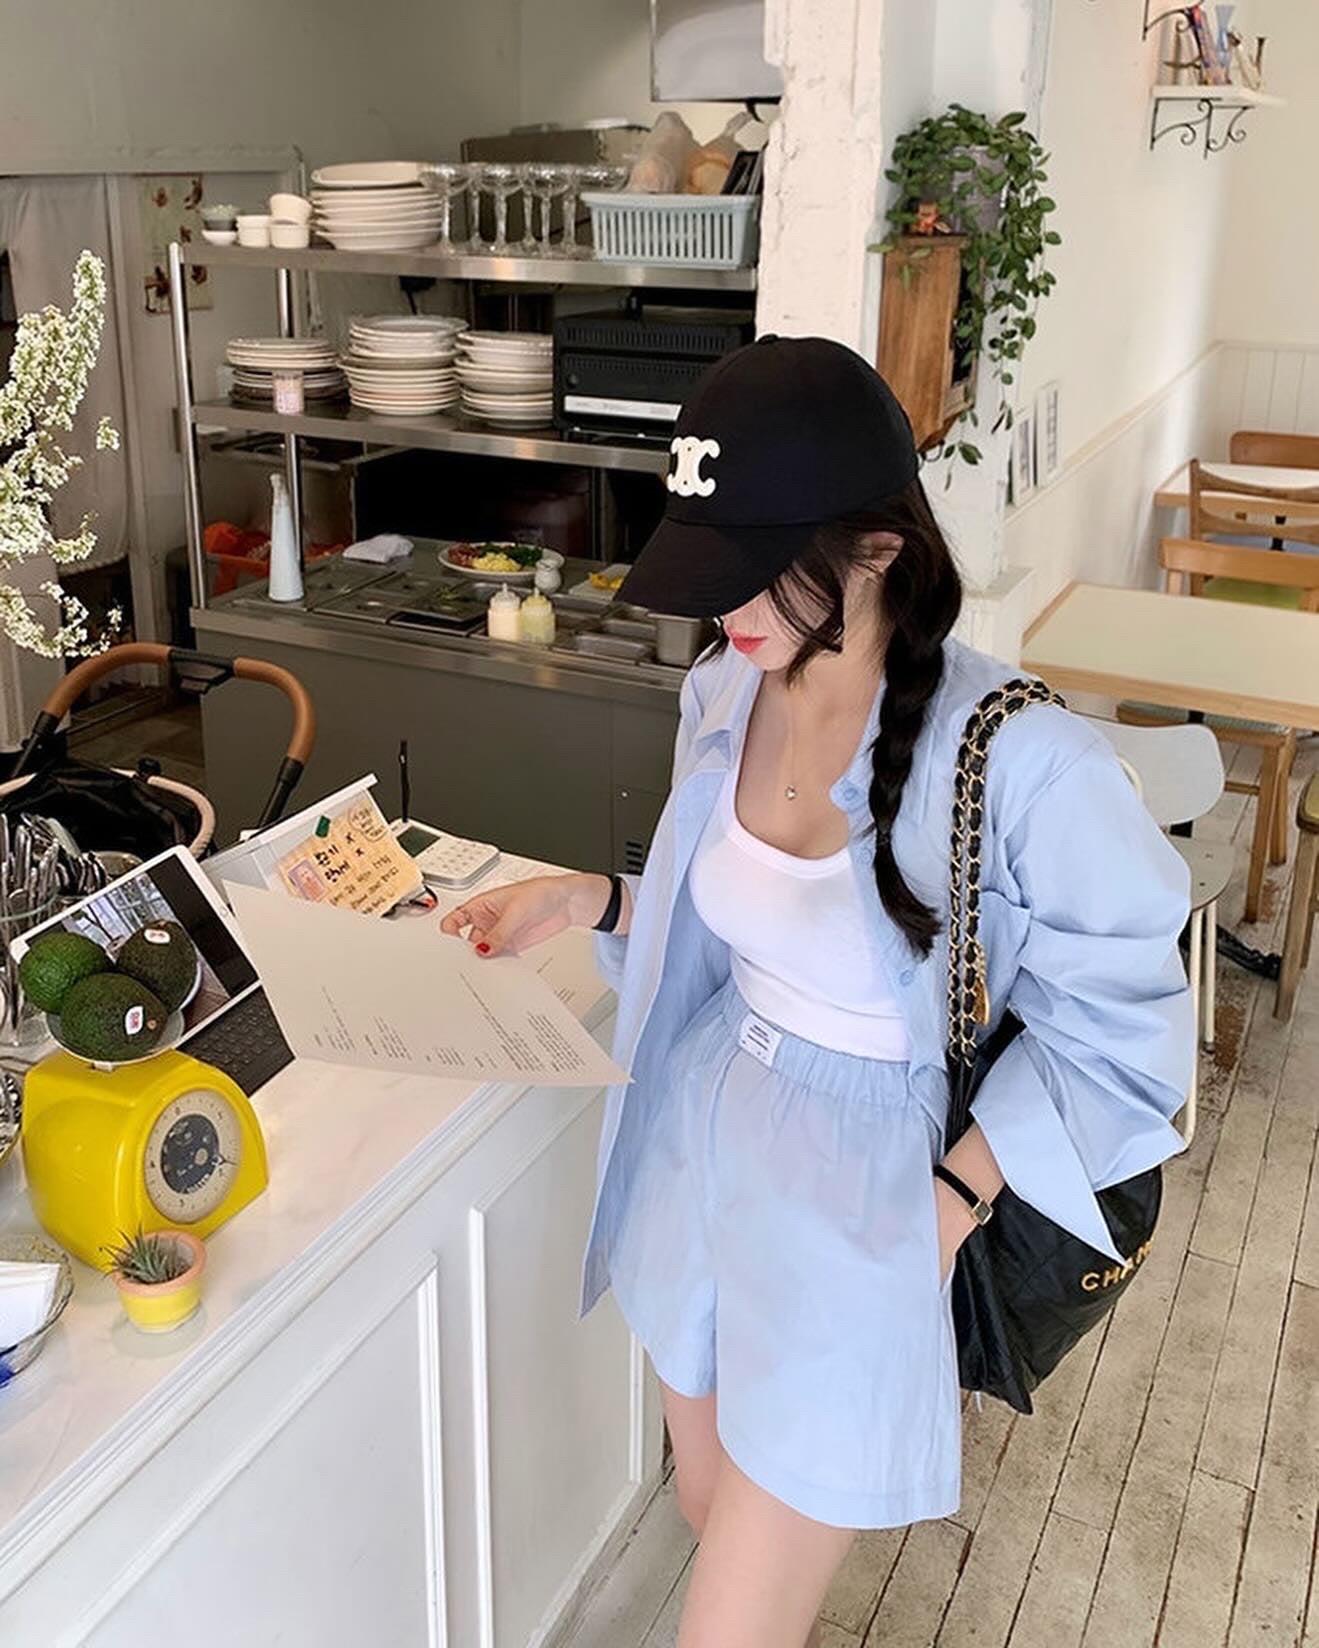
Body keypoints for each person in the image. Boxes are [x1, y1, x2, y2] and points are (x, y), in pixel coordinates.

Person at [442, 337, 1193, 1648]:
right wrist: (599, 901)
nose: (722, 605)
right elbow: (756, 928)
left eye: (754, 567)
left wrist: (946, 1205)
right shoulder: (725, 685)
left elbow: (1126, 1040)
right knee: (709, 1508)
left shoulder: (1028, 763)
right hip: (701, 1153)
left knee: (726, 1626)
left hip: (870, 1200)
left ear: (880, 550)